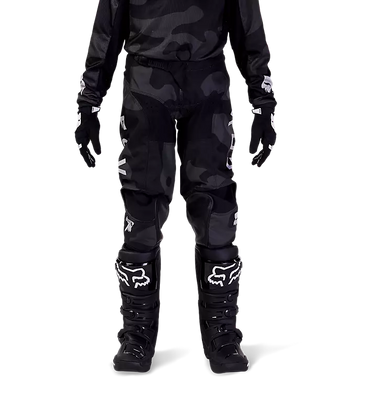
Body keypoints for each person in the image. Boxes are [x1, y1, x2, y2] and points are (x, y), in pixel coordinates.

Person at [71, 0, 280, 374]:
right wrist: (88, 104)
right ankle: (136, 332)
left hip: (209, 85)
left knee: (217, 206)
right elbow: (106, 27)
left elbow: (249, 24)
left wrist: (264, 103)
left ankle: (223, 333)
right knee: (141, 207)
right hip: (145, 86)